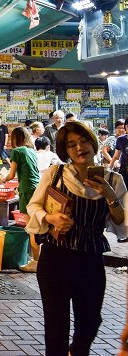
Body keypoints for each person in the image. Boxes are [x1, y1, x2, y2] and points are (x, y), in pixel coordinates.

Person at [26, 121, 127, 356]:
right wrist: (50, 218)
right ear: (66, 151)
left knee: (90, 321)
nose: (79, 148)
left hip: (90, 259)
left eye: (83, 141)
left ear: (93, 142)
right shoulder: (57, 174)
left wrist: (109, 195)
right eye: (71, 145)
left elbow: (122, 223)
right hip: (55, 258)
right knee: (56, 327)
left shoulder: (113, 180)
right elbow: (33, 206)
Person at [0, 127, 40, 271]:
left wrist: (1, 180)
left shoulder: (17, 151)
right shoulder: (31, 152)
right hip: (37, 189)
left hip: (27, 191)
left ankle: (35, 261)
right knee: (38, 225)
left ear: (16, 138)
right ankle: (37, 259)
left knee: (32, 228)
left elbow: (11, 175)